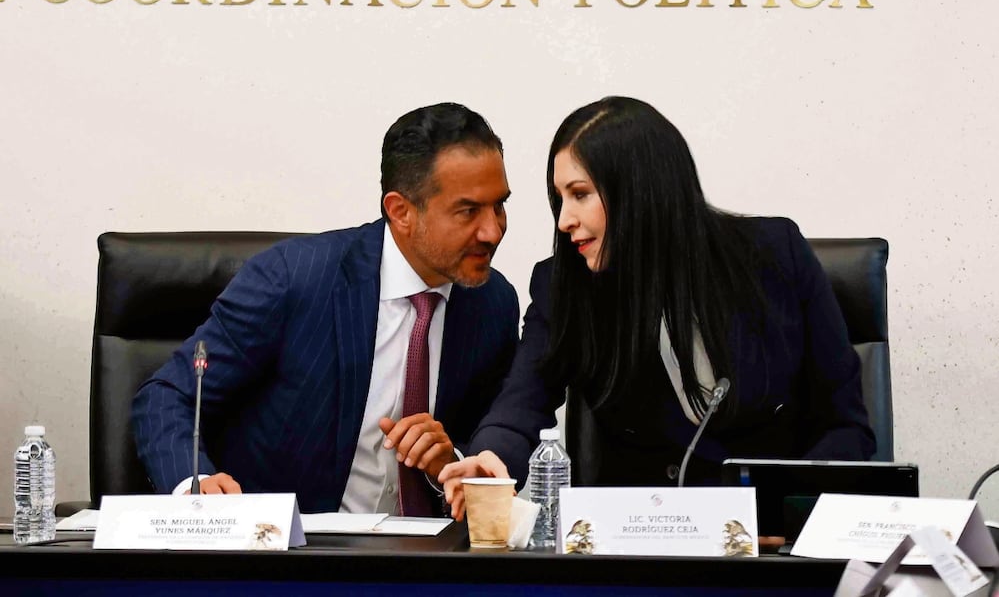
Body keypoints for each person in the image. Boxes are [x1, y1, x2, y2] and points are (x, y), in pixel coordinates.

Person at [440, 96, 875, 518]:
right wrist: (489, 457)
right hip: (642, 551)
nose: (564, 220)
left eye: (580, 194)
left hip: (769, 551)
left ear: (639, 190)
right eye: (560, 199)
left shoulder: (776, 257)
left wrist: (788, 515)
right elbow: (522, 404)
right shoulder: (565, 284)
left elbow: (844, 427)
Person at [132, 102, 519, 515]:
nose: (493, 230)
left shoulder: (492, 303)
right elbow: (167, 396)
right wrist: (196, 485)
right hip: (294, 558)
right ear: (401, 211)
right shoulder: (294, 279)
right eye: (468, 211)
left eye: (499, 205)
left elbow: (488, 444)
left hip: (429, 563)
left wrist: (451, 464)